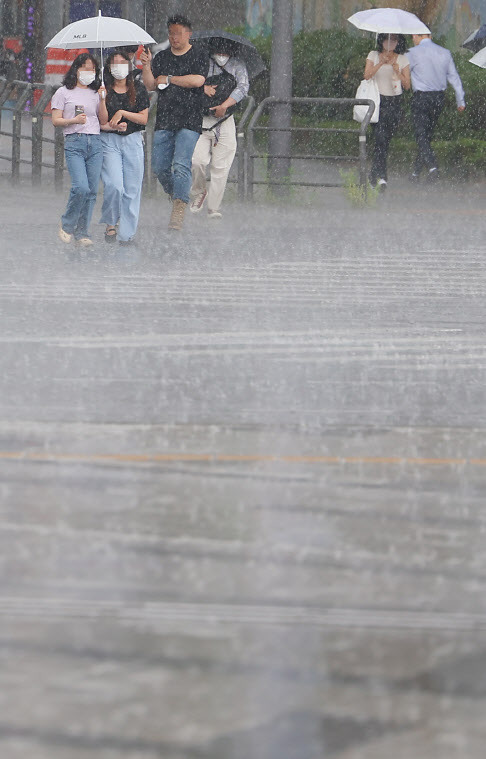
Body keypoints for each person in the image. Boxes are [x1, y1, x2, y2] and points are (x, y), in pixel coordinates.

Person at [141, 14, 208, 231]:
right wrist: (146, 65)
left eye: (178, 33)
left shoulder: (198, 54)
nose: (173, 37)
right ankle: (176, 193)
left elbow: (198, 80)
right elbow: (151, 85)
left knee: (181, 164)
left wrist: (170, 79)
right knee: (160, 166)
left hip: (190, 119)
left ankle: (179, 207)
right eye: (170, 33)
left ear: (188, 33)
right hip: (165, 119)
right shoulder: (161, 57)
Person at [190, 38, 249, 218]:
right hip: (201, 119)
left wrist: (225, 105)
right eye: (219, 53)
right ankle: (199, 192)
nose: (222, 56)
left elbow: (243, 87)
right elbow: (191, 82)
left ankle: (213, 208)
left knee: (221, 167)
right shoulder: (201, 62)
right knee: (197, 160)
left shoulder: (238, 65)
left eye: (225, 53)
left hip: (225, 120)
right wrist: (203, 88)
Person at [51, 53, 103, 246]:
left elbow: (102, 119)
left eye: (92, 69)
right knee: (80, 186)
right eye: (85, 68)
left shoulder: (95, 93)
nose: (89, 72)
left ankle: (83, 232)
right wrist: (73, 120)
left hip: (95, 142)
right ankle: (67, 223)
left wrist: (104, 99)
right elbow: (56, 120)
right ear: (76, 69)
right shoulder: (64, 92)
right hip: (75, 141)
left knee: (91, 191)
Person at [98, 50, 150, 245]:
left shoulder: (138, 88)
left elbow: (144, 118)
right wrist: (102, 100)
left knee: (132, 189)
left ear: (129, 65)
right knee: (114, 185)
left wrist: (123, 113)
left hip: (133, 141)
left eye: (122, 62)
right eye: (114, 63)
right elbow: (103, 119)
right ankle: (111, 221)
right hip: (109, 141)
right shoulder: (105, 88)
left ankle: (126, 234)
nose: (118, 66)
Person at [406, 33, 465, 182]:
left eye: (413, 36)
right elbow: (454, 77)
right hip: (439, 98)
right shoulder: (444, 53)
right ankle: (415, 173)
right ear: (430, 36)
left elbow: (404, 75)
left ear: (417, 36)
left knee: (421, 135)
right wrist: (460, 101)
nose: (413, 39)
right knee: (426, 135)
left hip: (421, 98)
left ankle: (433, 167)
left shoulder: (412, 53)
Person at [363, 33, 410, 191]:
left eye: (394, 40)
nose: (390, 43)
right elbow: (367, 75)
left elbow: (408, 85)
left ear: (398, 42)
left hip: (394, 103)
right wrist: (380, 64)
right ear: (381, 41)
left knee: (384, 142)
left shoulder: (402, 59)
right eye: (387, 39)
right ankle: (382, 177)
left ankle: (374, 176)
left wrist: (398, 71)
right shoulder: (374, 55)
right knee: (380, 139)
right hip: (377, 101)